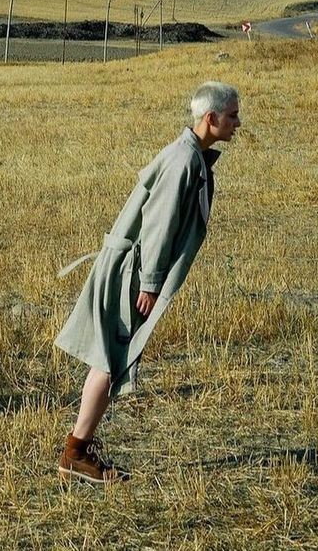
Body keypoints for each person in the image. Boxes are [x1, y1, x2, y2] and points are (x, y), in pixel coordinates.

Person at [55, 82, 241, 483]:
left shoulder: (190, 154)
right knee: (111, 359)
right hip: (134, 273)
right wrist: (151, 283)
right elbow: (158, 225)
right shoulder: (184, 162)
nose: (237, 123)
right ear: (211, 119)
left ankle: (78, 449)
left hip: (132, 268)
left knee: (109, 358)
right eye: (232, 116)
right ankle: (76, 452)